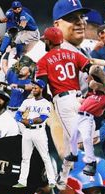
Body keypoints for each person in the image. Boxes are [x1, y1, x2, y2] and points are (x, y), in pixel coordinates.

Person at [35, 26, 90, 181]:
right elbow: (90, 70)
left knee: (75, 141)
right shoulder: (74, 54)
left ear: (48, 41)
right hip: (80, 98)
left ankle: (102, 136)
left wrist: (44, 100)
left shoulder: (43, 60)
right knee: (68, 144)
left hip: (62, 101)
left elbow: (42, 86)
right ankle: (64, 177)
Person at [64, 64, 105, 176]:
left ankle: (91, 163)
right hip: (80, 116)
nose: (90, 80)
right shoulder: (90, 93)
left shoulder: (104, 97)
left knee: (87, 140)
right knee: (73, 138)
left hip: (93, 122)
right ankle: (74, 154)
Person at [13, 79, 56, 188]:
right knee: (25, 158)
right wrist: (23, 121)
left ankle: (52, 180)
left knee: (45, 157)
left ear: (41, 89)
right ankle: (22, 181)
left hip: (39, 131)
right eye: (32, 87)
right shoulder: (27, 101)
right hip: (27, 131)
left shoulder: (46, 103)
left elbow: (42, 118)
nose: (33, 89)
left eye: (35, 88)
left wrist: (30, 121)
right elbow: (18, 114)